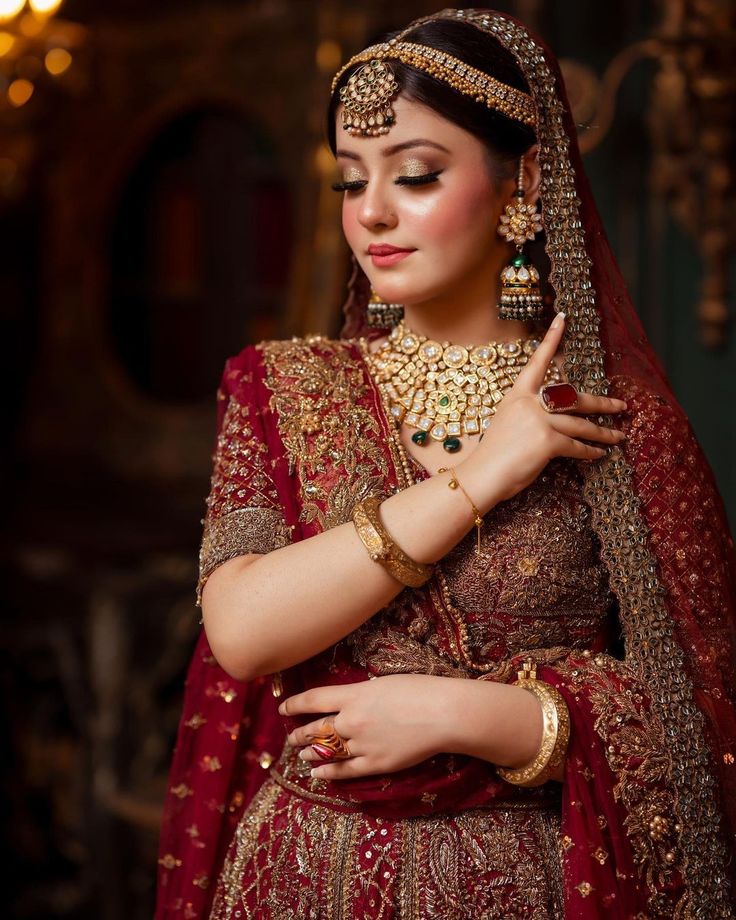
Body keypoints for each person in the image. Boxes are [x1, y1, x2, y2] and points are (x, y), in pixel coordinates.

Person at [155, 9, 736, 919]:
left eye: (416, 175)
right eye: (353, 181)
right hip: (298, 879)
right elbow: (244, 631)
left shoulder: (618, 427)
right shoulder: (282, 388)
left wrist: (472, 717)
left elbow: (707, 731)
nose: (372, 212)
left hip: (532, 885)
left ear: (526, 181)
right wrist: (485, 474)